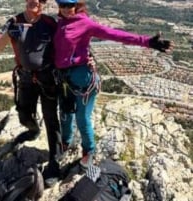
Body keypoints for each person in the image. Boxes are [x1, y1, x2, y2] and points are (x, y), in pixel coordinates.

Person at [53, 0, 173, 169]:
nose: (66, 9)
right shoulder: (60, 23)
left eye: (69, 5)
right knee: (65, 115)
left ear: (76, 5)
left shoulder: (85, 23)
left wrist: (146, 42)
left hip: (83, 81)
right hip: (65, 80)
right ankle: (66, 143)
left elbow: (113, 34)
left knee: (82, 118)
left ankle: (89, 152)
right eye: (62, 5)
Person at [0, 0, 62, 186]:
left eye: (41, 0)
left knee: (51, 119)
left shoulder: (49, 23)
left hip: (47, 77)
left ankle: (55, 162)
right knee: (23, 112)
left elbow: (65, 45)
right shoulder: (13, 22)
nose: (36, 2)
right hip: (25, 78)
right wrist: (8, 34)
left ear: (44, 4)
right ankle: (32, 130)